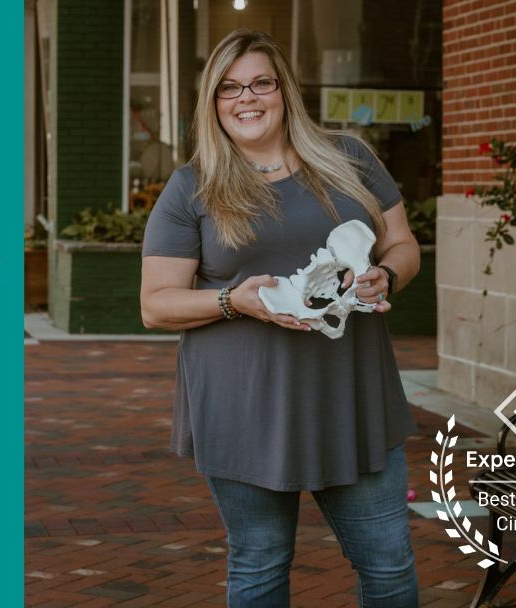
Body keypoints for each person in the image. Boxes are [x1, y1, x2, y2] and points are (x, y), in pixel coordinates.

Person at [139, 29, 421, 608]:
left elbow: (403, 245)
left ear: (284, 90)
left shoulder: (349, 159)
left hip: (351, 395)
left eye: (261, 83)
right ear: (212, 102)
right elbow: (156, 303)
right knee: (261, 568)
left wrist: (385, 276)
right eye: (229, 88)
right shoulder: (192, 187)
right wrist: (231, 301)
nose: (247, 98)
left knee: (390, 568)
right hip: (245, 404)